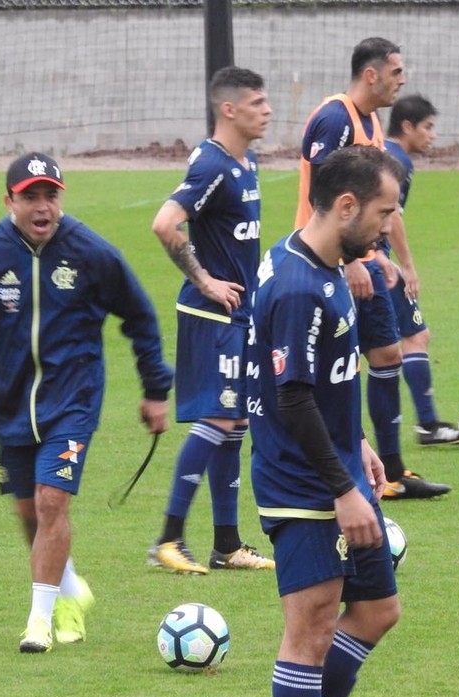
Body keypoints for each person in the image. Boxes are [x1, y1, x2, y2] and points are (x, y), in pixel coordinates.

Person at [0, 152, 173, 654]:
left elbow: (140, 316)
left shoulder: (92, 253)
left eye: (50, 195)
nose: (42, 206)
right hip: (11, 405)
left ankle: (39, 622)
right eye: (30, 196)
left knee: (53, 502)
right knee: (30, 513)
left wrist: (155, 390)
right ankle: (69, 588)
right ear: (9, 200)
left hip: (74, 401)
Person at [249, 145, 404, 697]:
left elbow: (327, 375)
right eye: (383, 213)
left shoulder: (328, 265)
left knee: (375, 612)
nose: (387, 227)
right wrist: (343, 491)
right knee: (310, 633)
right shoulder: (295, 287)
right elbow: (292, 399)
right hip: (304, 483)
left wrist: (357, 437)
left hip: (336, 464)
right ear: (346, 205)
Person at [296, 37, 453, 500]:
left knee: (387, 355)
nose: (402, 80)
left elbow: (369, 203)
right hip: (330, 266)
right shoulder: (334, 117)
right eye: (396, 71)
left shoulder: (370, 120)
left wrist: (383, 256)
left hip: (365, 259)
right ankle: (345, 471)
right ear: (372, 74)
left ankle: (394, 472)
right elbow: (322, 200)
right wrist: (350, 261)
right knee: (339, 368)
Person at [147, 66, 274, 575]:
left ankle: (227, 545)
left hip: (239, 312)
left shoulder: (248, 162)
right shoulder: (214, 166)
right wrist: (205, 281)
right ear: (230, 110)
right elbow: (165, 223)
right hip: (211, 312)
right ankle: (168, 539)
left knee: (235, 422)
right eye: (258, 103)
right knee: (219, 418)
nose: (267, 111)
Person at [384, 94, 459, 444]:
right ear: (407, 127)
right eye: (428, 127)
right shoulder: (398, 162)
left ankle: (426, 424)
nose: (433, 135)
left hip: (366, 260)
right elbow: (392, 215)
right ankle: (428, 425)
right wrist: (407, 265)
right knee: (414, 337)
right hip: (376, 264)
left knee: (389, 346)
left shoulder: (387, 153)